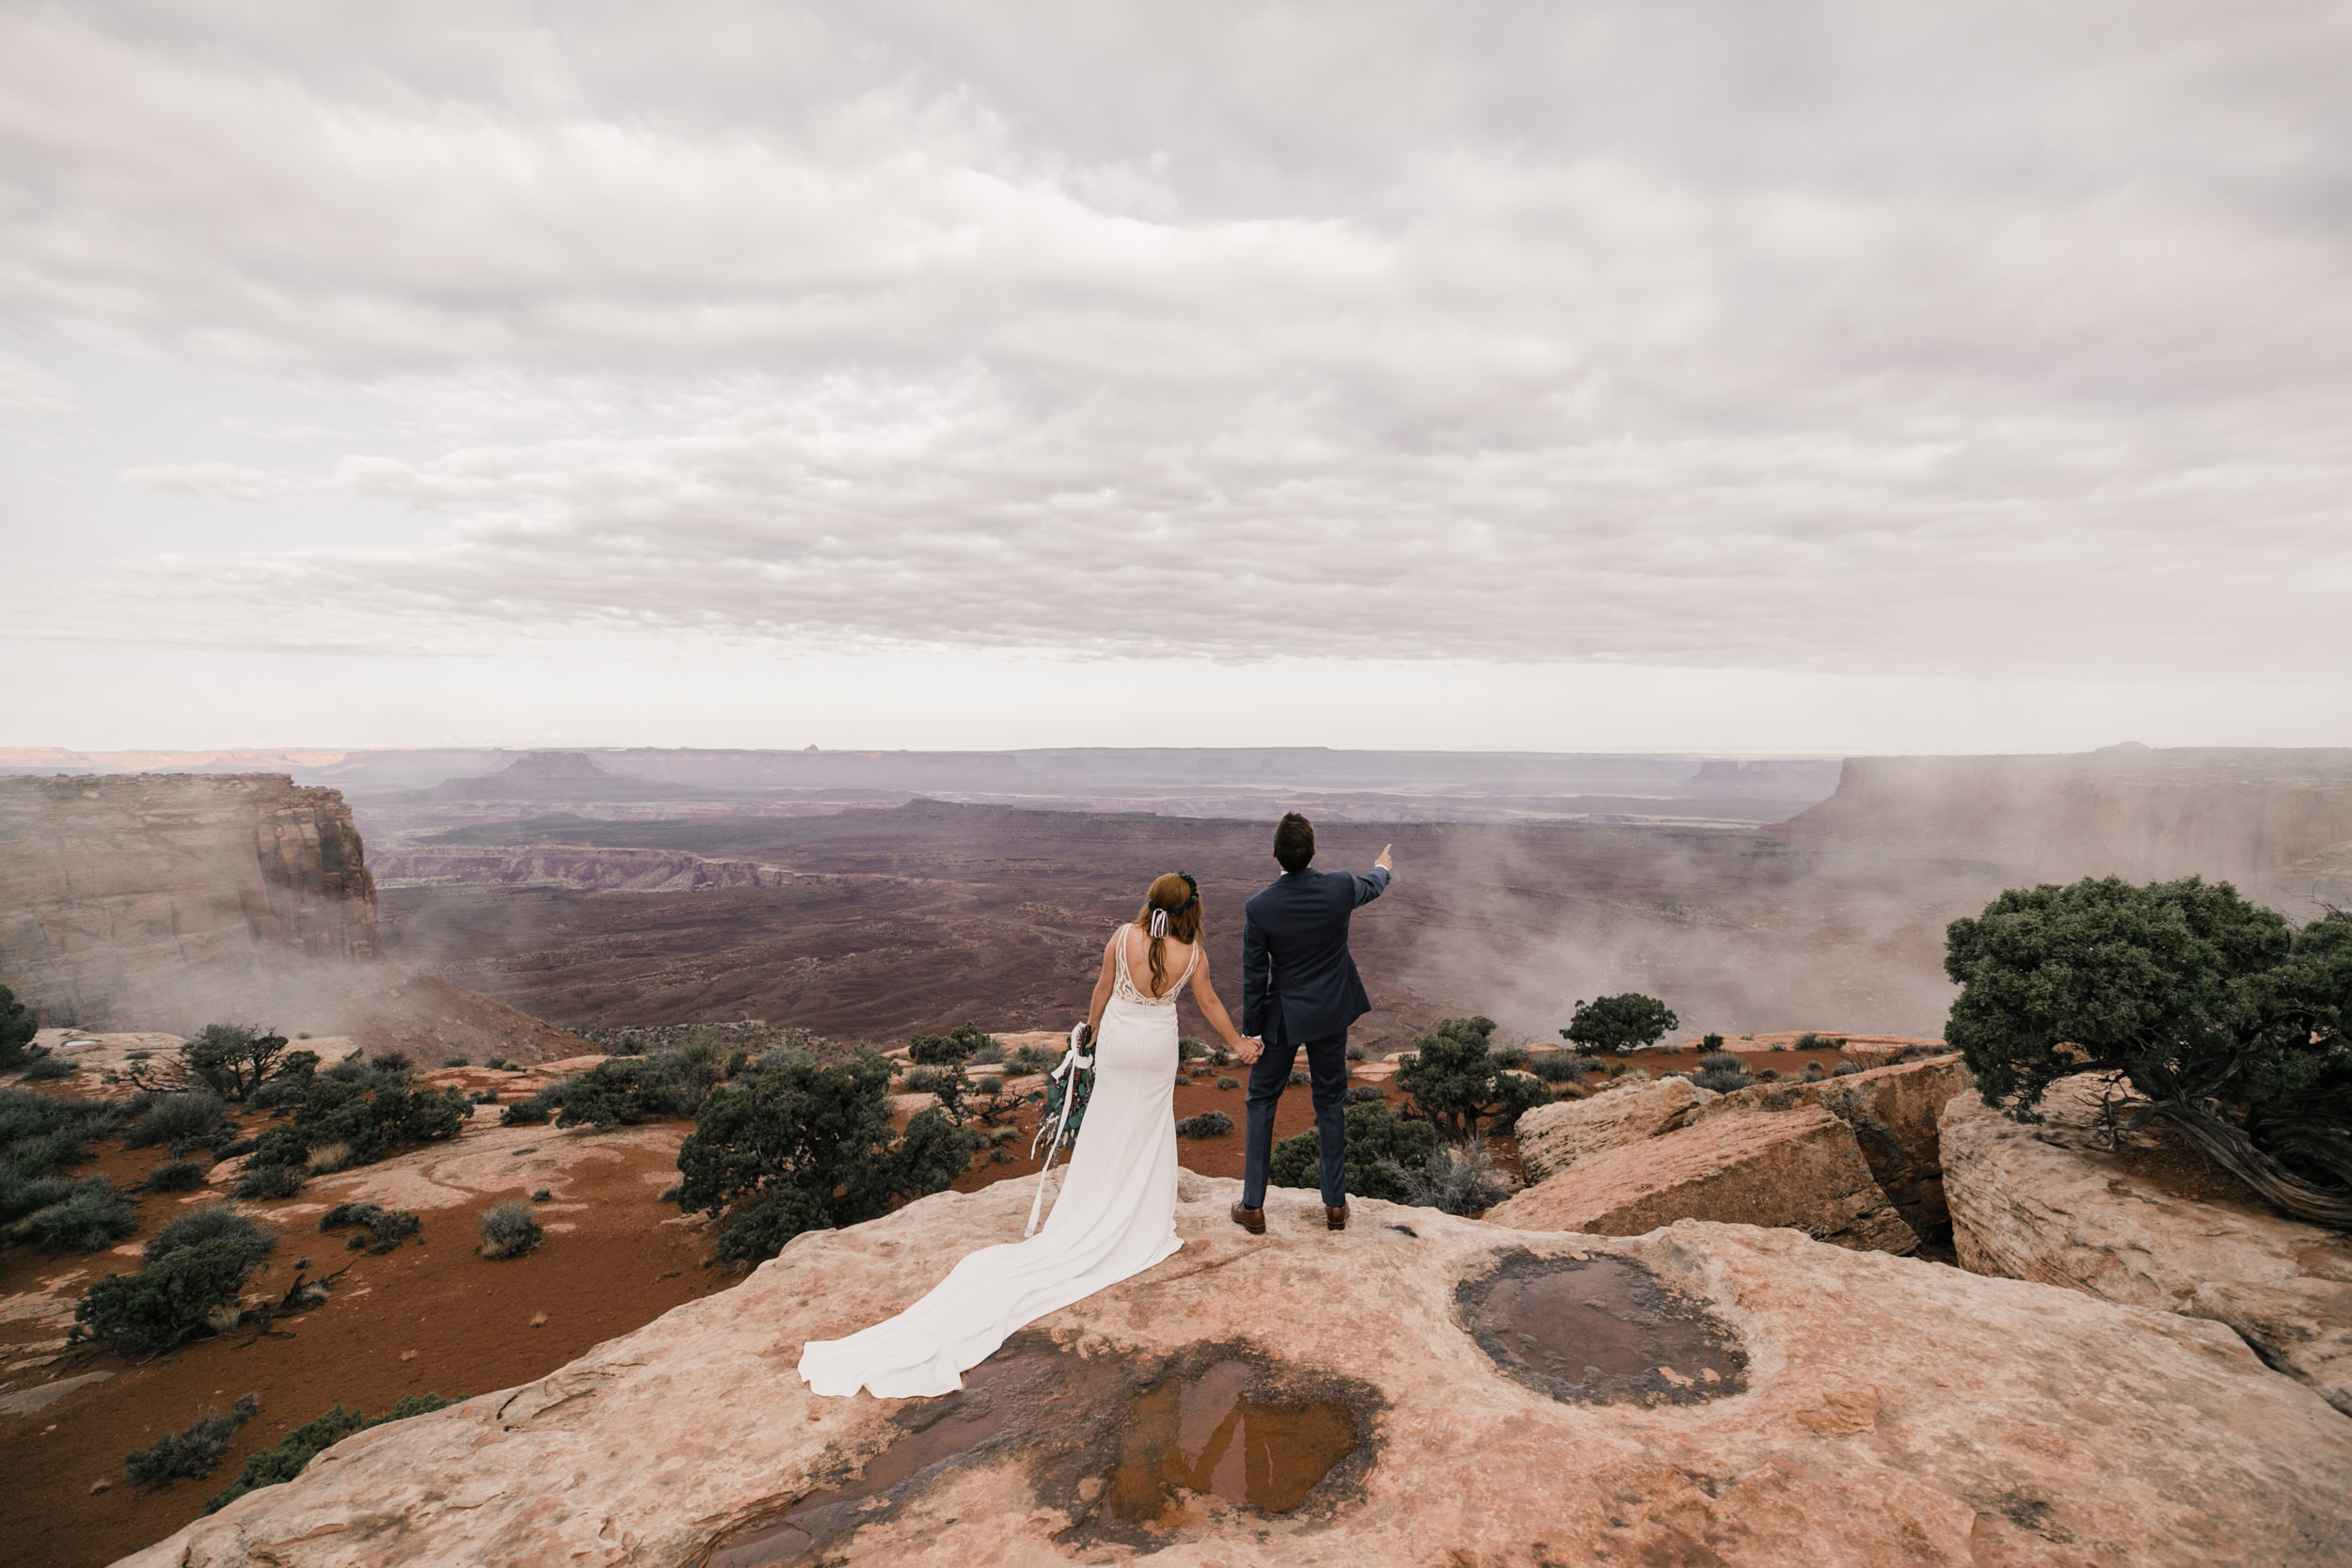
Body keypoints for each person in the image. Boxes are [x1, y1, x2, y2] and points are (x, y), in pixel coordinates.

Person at [798, 870, 1259, 1399]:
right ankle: (1141, 1218)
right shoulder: (1193, 952)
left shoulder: (1121, 937)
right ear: (1189, 909)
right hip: (1157, 1048)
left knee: (1108, 1124)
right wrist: (1239, 1043)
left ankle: (1095, 1204)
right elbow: (1209, 1005)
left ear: (1150, 902)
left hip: (1120, 1044)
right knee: (1149, 1126)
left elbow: (1103, 990)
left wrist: (1088, 1037)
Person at [1233, 813, 1393, 1235]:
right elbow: (1373, 885)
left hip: (1283, 1018)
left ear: (1274, 855)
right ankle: (1336, 1206)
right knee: (1329, 1102)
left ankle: (1252, 1205)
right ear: (1313, 852)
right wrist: (1382, 866)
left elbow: (1254, 975)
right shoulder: (1339, 886)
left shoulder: (1260, 906)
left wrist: (1251, 1031)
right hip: (1330, 1013)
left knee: (1261, 1100)